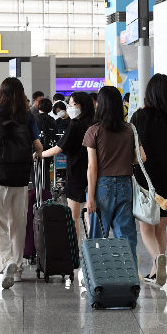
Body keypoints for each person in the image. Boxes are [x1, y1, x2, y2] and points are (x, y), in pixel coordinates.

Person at [0, 78, 43, 288]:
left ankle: (6, 262)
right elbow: (38, 147)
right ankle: (17, 269)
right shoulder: (27, 117)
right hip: (21, 177)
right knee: (18, 223)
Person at [130, 75, 167, 285]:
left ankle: (158, 260)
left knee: (146, 228)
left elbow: (133, 150)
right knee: (161, 228)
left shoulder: (139, 117)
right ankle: (156, 270)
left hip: (146, 182)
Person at [84, 86, 143, 269]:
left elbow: (93, 167)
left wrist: (90, 197)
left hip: (102, 186)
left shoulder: (94, 131)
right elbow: (142, 157)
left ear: (101, 105)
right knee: (126, 236)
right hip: (125, 185)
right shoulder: (129, 130)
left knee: (96, 236)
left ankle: (95, 276)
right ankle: (130, 278)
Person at [41, 92, 95, 241]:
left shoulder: (75, 127)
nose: (70, 107)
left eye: (73, 104)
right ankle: (92, 249)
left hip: (76, 175)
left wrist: (41, 154)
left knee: (74, 216)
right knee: (90, 214)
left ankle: (76, 251)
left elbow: (58, 148)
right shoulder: (95, 125)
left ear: (82, 106)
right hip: (94, 174)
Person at [33, 98, 58, 191]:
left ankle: (38, 193)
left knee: (36, 171)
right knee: (46, 170)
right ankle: (46, 192)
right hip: (49, 149)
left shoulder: (34, 118)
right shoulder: (52, 120)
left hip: (36, 148)